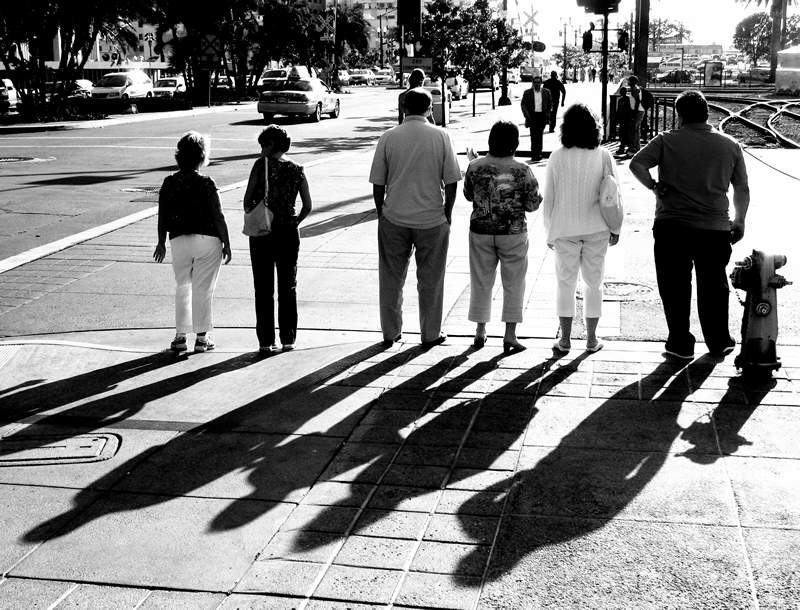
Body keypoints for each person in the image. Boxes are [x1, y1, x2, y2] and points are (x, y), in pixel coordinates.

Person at [629, 89, 749, 360]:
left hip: (672, 226)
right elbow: (741, 187)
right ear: (707, 112)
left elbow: (636, 164)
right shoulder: (730, 144)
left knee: (674, 286)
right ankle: (718, 341)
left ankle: (680, 343)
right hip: (715, 228)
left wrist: (654, 187)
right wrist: (740, 221)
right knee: (714, 286)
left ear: (679, 115)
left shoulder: (666, 141)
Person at [369, 88, 462, 347]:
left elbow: (378, 182)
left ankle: (391, 332)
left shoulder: (388, 137)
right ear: (430, 109)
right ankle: (430, 332)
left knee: (391, 278)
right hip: (432, 220)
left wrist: (381, 213)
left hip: (394, 217)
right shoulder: (441, 136)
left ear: (403, 109)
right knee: (431, 280)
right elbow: (452, 180)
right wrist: (447, 213)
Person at [543, 104, 620, 354]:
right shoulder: (603, 155)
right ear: (593, 127)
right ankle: (591, 339)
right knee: (594, 283)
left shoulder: (557, 156)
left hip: (565, 229)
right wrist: (615, 227)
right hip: (597, 228)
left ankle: (565, 339)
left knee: (565, 283)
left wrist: (550, 230)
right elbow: (614, 195)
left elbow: (550, 198)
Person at [463, 120, 542, 354]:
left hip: (481, 230)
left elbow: (469, 195)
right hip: (513, 233)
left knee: (481, 280)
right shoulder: (523, 169)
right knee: (514, 282)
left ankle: (480, 330)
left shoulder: (475, 166)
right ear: (515, 143)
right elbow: (533, 204)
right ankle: (510, 334)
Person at [153, 131, 231, 353]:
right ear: (202, 156)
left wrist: (160, 242)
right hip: (207, 239)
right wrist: (226, 241)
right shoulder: (206, 183)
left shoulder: (169, 182)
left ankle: (179, 337)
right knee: (203, 289)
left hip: (178, 240)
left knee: (183, 287)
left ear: (179, 156)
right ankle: (202, 338)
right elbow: (218, 215)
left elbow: (162, 215)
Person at [244, 125, 313, 354]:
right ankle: (288, 339)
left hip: (263, 232)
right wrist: (294, 221)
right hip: (288, 232)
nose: (261, 150)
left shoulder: (260, 165)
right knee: (288, 285)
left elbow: (247, 200)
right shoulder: (297, 168)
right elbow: (308, 206)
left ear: (270, 145)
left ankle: (265, 341)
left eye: (263, 145)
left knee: (263, 287)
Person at [520, 75, 551, 162]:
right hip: (532, 116)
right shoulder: (527, 93)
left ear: (541, 83)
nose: (537, 84)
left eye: (538, 82)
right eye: (535, 82)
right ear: (533, 83)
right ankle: (534, 154)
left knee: (539, 135)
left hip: (542, 116)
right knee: (533, 136)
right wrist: (526, 115)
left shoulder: (546, 92)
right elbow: (523, 104)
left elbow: (549, 104)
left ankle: (539, 153)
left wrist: (548, 115)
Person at [625, 75, 647, 155]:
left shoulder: (634, 89)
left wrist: (634, 113)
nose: (628, 82)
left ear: (632, 82)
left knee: (634, 129)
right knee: (636, 129)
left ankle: (635, 147)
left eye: (629, 81)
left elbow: (637, 101)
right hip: (639, 110)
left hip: (637, 111)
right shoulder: (635, 89)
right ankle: (636, 147)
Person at [614, 86, 632, 156]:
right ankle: (623, 147)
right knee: (622, 133)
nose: (622, 93)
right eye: (621, 92)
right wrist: (617, 118)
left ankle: (622, 147)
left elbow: (630, 109)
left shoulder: (628, 99)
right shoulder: (620, 100)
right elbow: (618, 110)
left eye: (623, 91)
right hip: (622, 119)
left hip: (626, 118)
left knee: (625, 133)